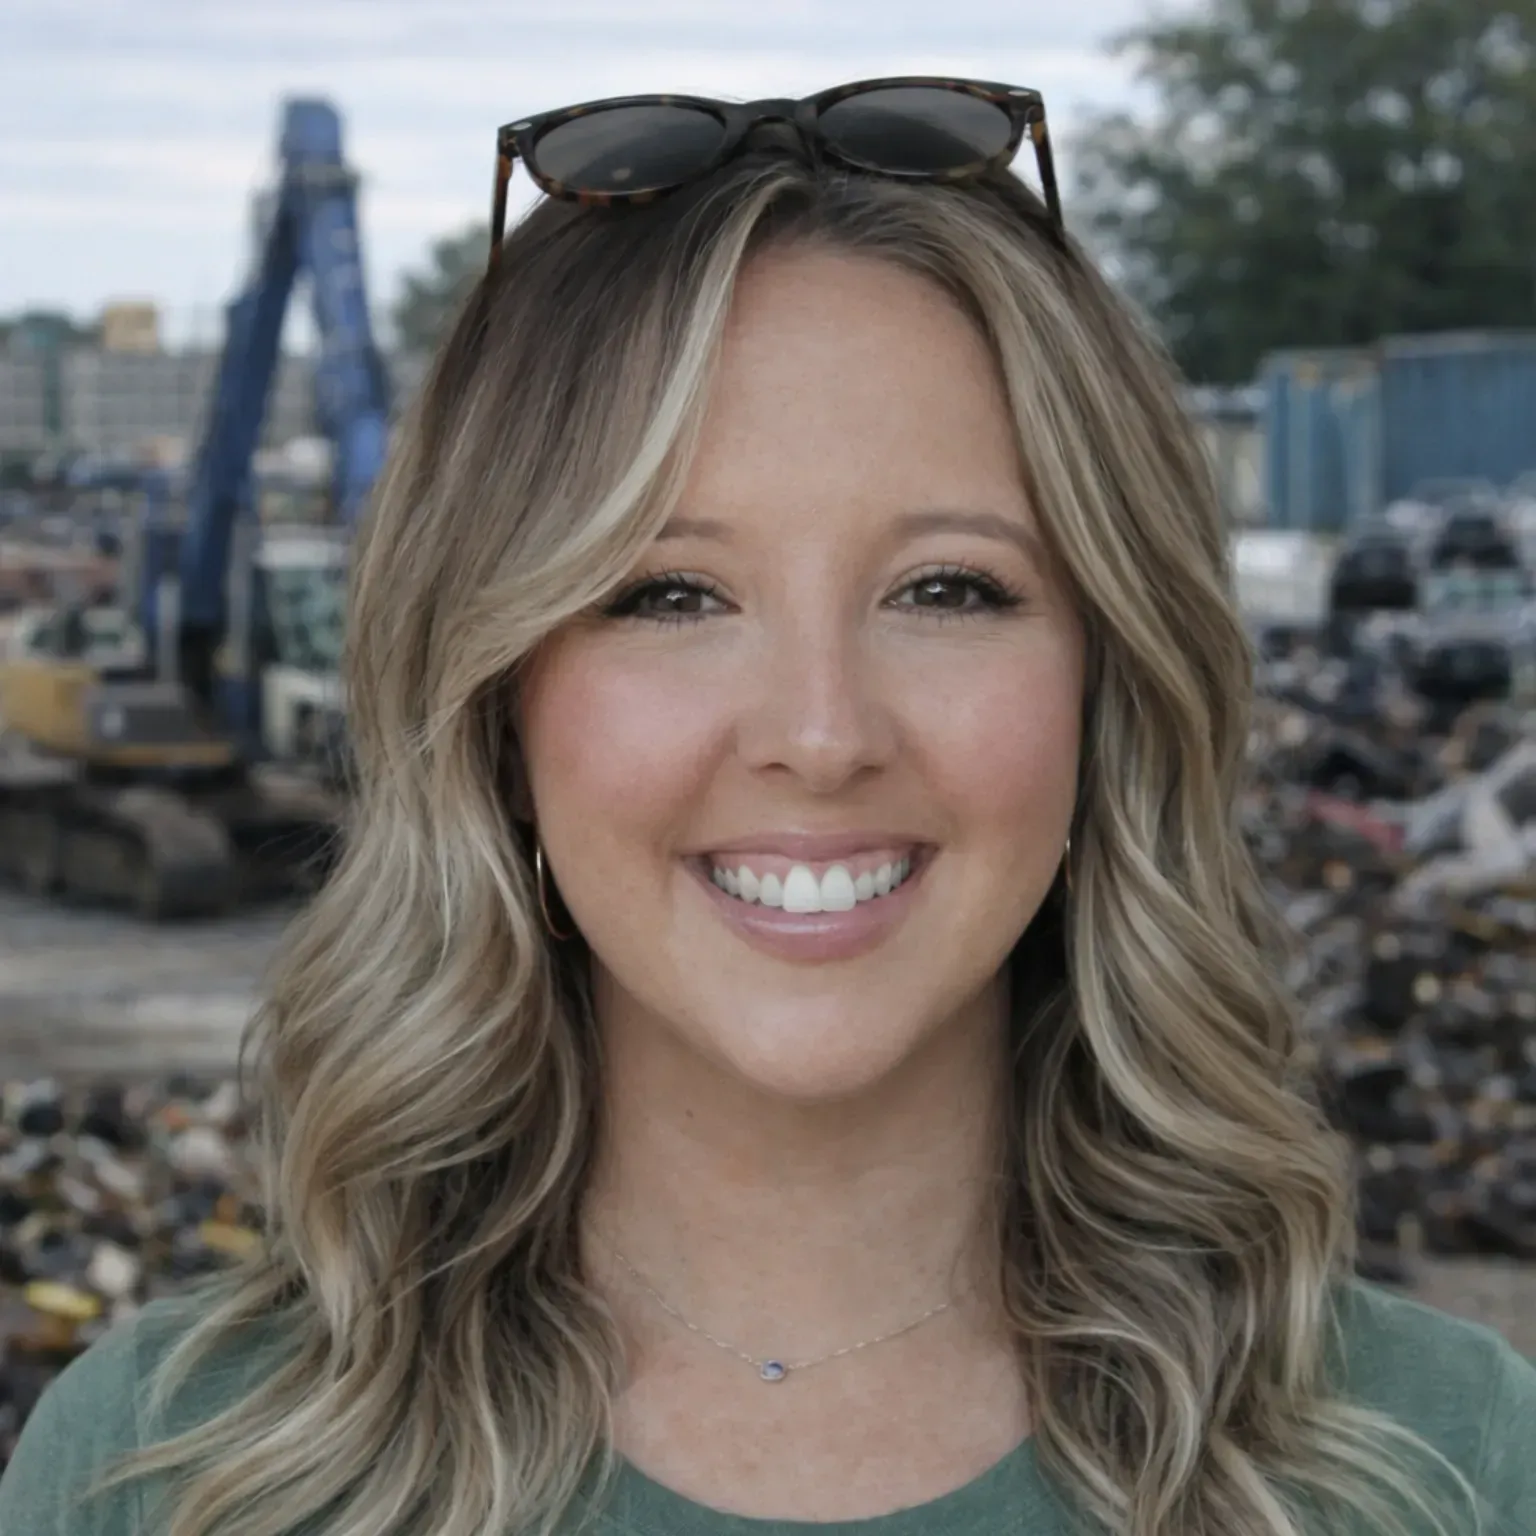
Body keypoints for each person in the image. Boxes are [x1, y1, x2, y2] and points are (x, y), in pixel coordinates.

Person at [2, 77, 1532, 1536]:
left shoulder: (1446, 1461)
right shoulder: (170, 1470)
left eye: (949, 587)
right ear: (491, 701)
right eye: (670, 592)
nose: (820, 732)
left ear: (1110, 682)